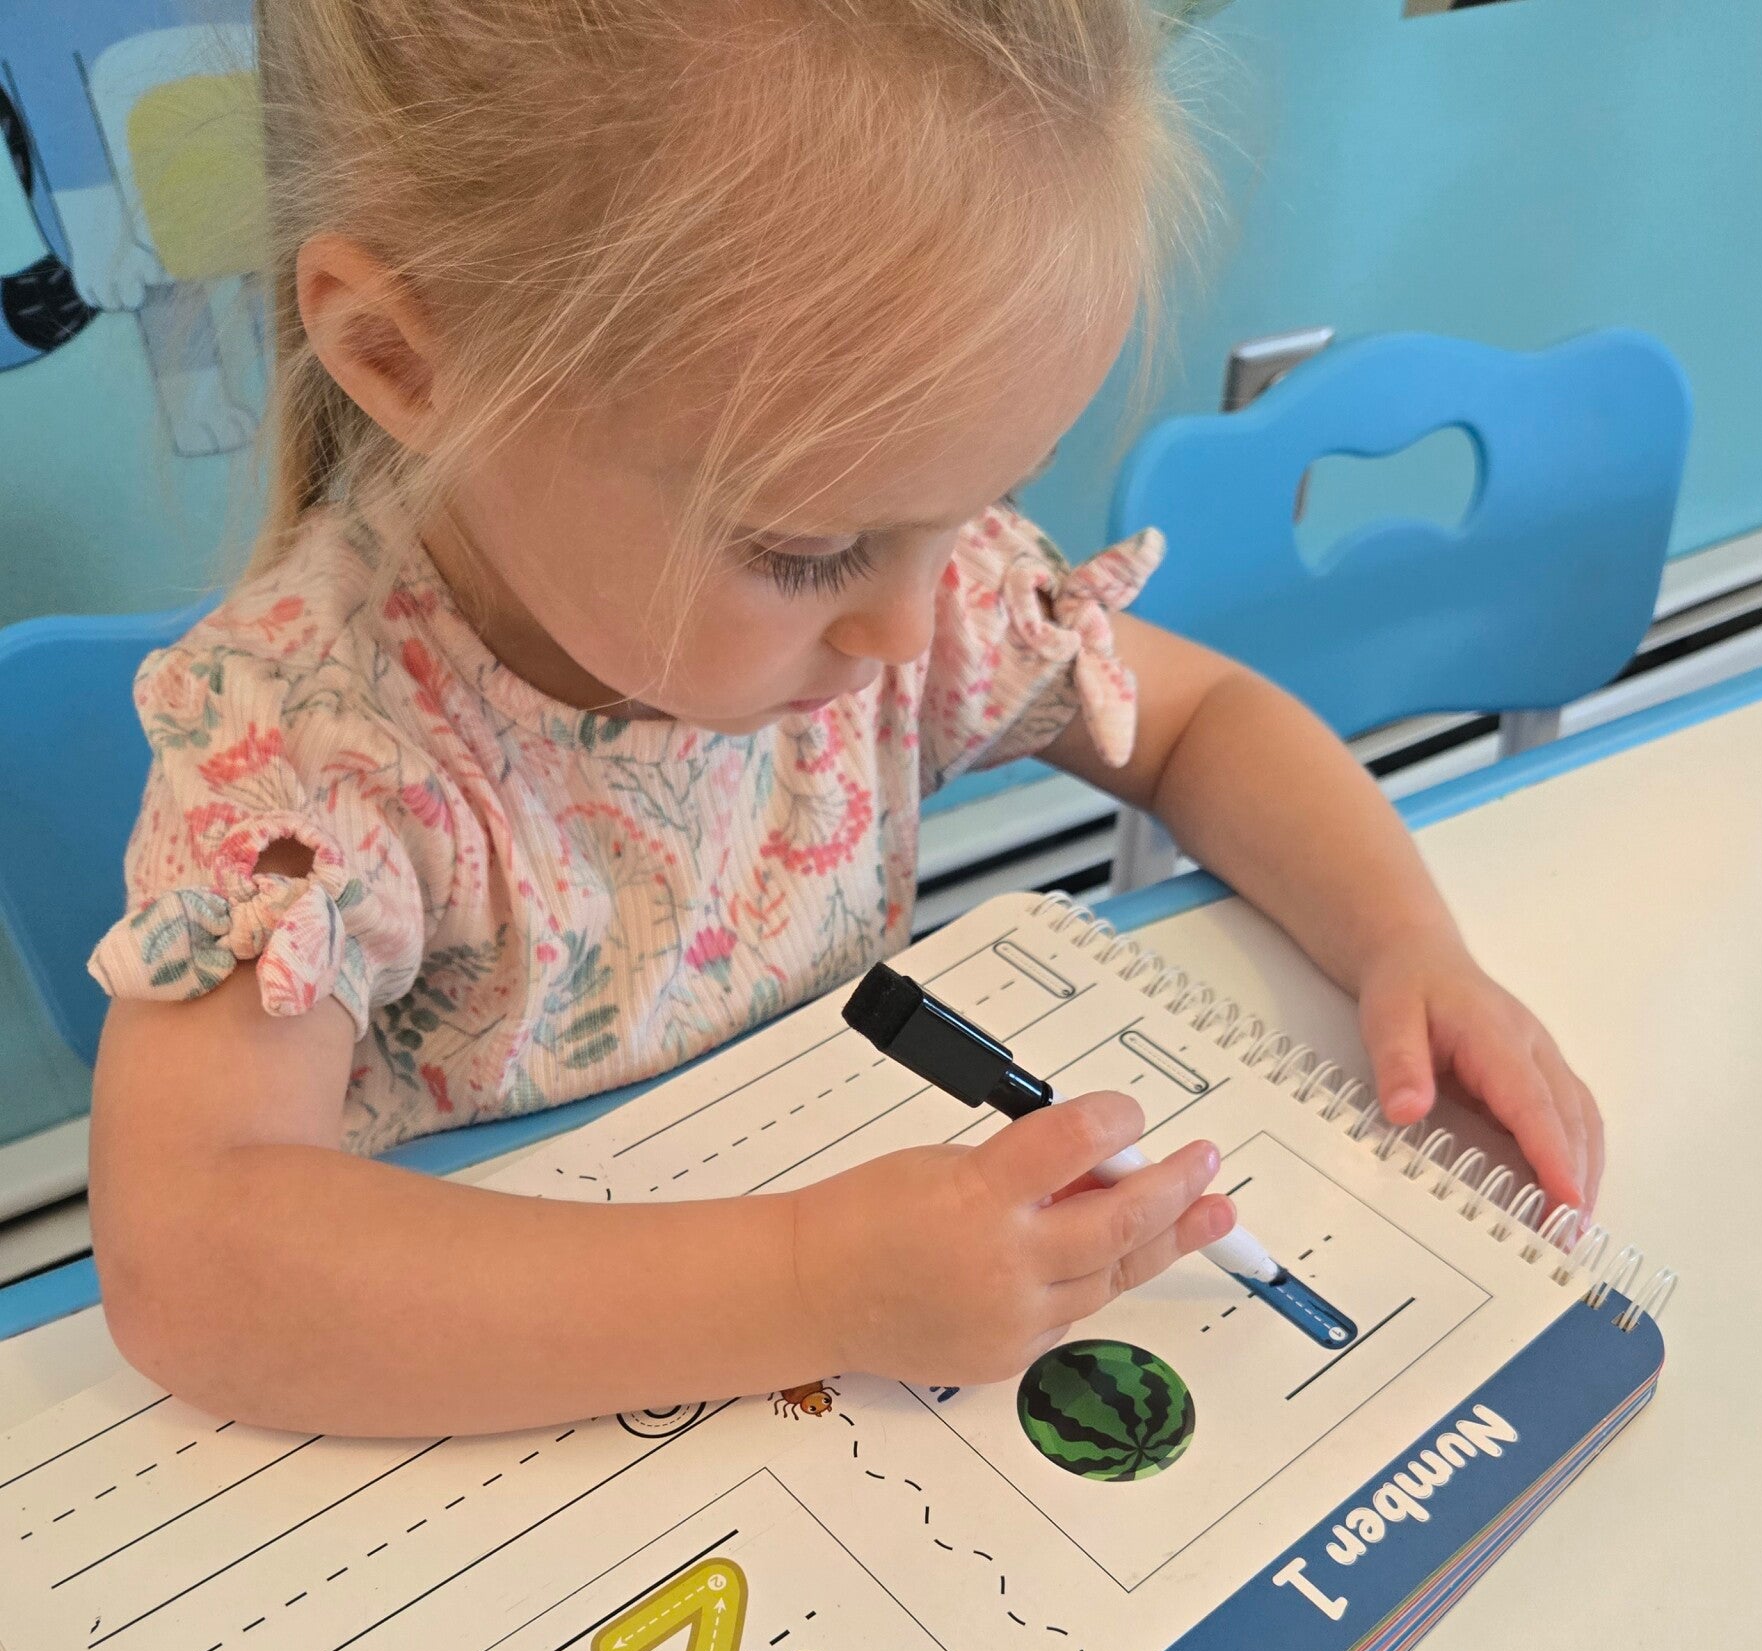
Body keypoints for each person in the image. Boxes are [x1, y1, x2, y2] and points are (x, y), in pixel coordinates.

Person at [87, 0, 1601, 1439]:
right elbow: (197, 1260)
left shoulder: (896, 603)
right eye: (808, 549)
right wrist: (812, 1286)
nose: (910, 630)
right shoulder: (315, 754)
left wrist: (1408, 945)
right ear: (408, 361)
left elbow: (1205, 720)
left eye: (978, 504)